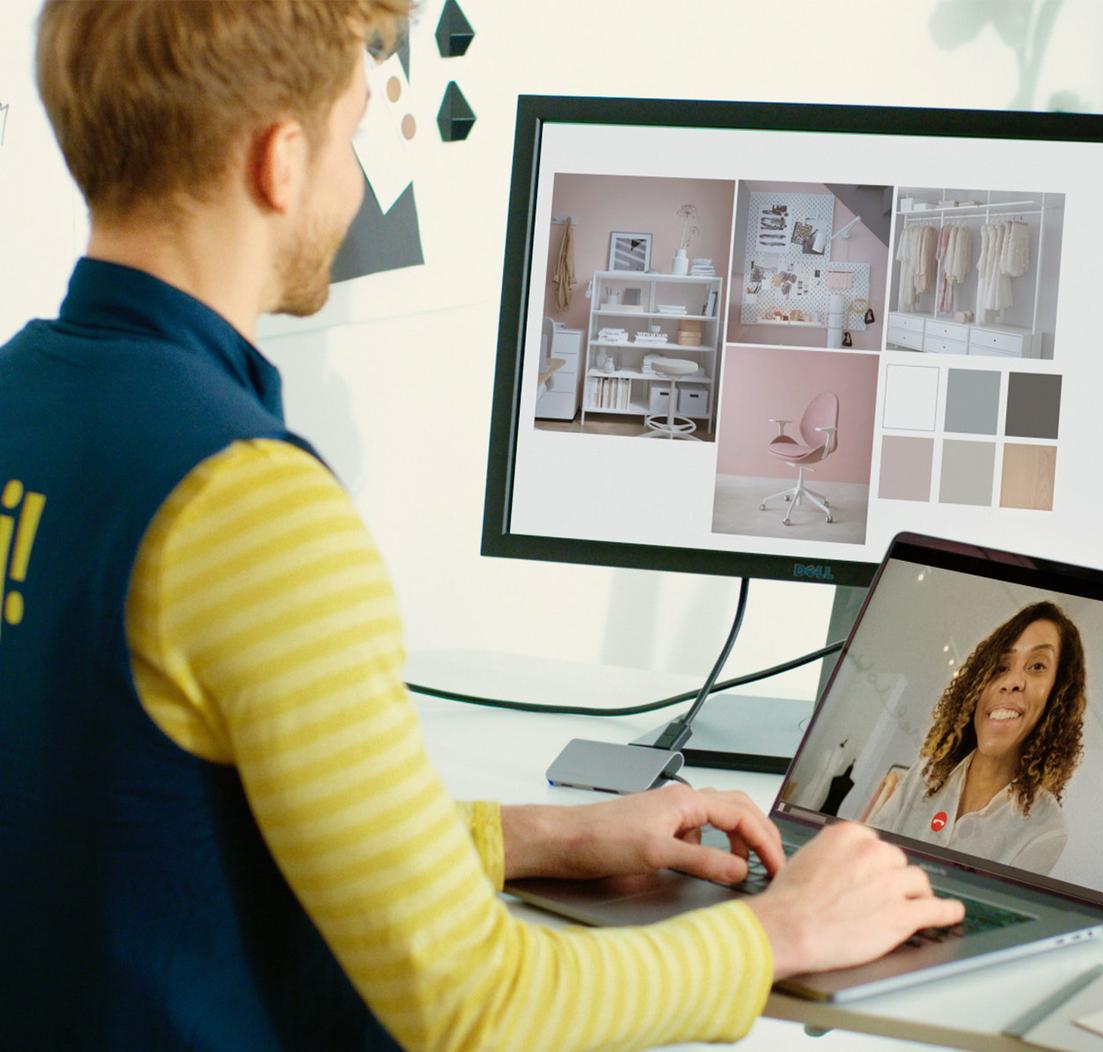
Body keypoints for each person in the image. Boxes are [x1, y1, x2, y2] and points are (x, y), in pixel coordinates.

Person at [0, 2, 965, 1047]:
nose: (357, 182)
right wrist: (781, 930)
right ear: (279, 162)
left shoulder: (22, 403)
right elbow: (471, 1000)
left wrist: (537, 834)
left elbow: (152, 832)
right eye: (354, 129)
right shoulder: (245, 505)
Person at [868, 601, 1087, 874]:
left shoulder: (1046, 828)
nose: (1012, 681)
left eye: (1037, 666)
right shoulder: (925, 775)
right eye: (1001, 667)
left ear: (1058, 695)